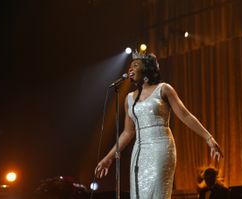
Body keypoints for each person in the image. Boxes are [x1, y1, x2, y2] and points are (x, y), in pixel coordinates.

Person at [95, 51, 223, 199]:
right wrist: (108, 158)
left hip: (161, 148)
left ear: (147, 68)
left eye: (135, 65)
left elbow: (185, 115)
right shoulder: (129, 99)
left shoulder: (163, 89)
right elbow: (128, 133)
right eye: (129, 67)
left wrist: (209, 138)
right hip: (139, 152)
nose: (130, 69)